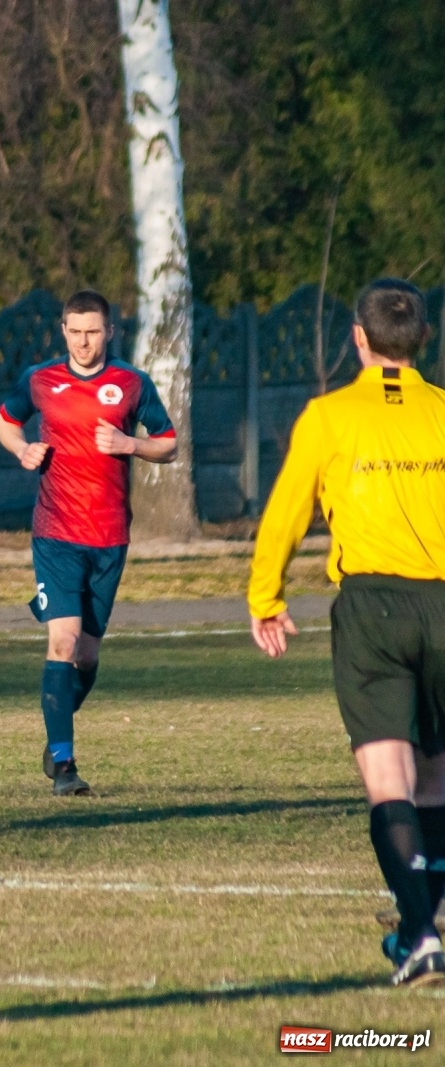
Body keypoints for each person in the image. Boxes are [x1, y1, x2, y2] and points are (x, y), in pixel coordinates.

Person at [249, 278, 445, 987]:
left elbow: (286, 513)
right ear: (421, 339)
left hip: (373, 607)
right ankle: (422, 923)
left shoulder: (330, 416)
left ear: (359, 339)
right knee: (436, 778)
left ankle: (421, 931)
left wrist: (264, 596)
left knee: (388, 778)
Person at [0, 289, 177, 795]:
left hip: (110, 537)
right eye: (74, 331)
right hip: (55, 533)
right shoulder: (41, 379)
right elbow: (4, 423)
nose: (82, 341)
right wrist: (23, 449)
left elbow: (169, 443)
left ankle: (59, 730)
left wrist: (129, 444)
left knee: (88, 658)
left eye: (92, 331)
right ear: (64, 331)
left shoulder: (131, 384)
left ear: (110, 331)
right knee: (63, 640)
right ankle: (64, 763)